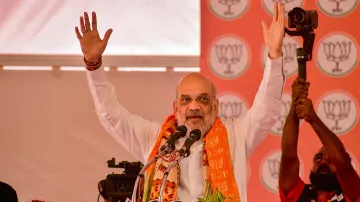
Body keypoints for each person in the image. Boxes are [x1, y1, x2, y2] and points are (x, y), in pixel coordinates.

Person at [75, 1, 286, 201]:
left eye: (203, 99)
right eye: (186, 100)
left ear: (215, 106)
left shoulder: (236, 136)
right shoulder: (156, 141)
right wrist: (93, 65)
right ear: (176, 108)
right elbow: (110, 116)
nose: (194, 106)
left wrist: (275, 55)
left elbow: (266, 109)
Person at [279, 77, 360, 201]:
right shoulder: (298, 195)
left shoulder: (352, 194)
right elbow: (288, 156)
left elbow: (342, 162)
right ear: (311, 167)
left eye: (330, 160)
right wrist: (295, 103)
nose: (323, 163)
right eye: (318, 158)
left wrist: (313, 118)